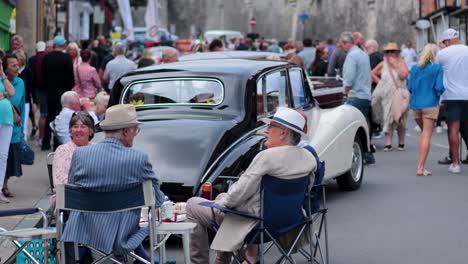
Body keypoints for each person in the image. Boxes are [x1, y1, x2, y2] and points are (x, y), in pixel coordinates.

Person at [186, 107, 316, 264]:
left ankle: (199, 262)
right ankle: (223, 259)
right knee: (222, 196)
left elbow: (239, 193)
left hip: (253, 224)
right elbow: (306, 192)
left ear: (283, 133)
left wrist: (220, 204)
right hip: (286, 223)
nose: (266, 130)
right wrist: (223, 199)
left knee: (192, 205)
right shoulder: (308, 158)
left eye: (271, 126)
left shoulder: (266, 157)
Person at [61, 104, 165, 263]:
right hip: (122, 234)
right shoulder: (138, 159)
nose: (135, 134)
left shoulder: (80, 155)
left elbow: (72, 194)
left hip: (85, 232)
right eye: (135, 130)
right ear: (125, 131)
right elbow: (157, 200)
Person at [407, 44, 445, 176]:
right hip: (430, 103)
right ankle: (420, 168)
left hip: (416, 105)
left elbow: (410, 87)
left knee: (424, 134)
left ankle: (422, 167)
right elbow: (439, 87)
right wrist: (439, 94)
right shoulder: (437, 67)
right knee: (426, 135)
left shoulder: (414, 68)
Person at [436, 28, 468, 174]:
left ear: (448, 41)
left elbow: (437, 69)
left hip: (452, 95)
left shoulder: (442, 54)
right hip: (466, 94)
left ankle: (455, 164)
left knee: (453, 128)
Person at [340, 32, 375, 164]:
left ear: (346, 43)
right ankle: (367, 154)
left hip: (355, 95)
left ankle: (359, 154)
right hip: (365, 95)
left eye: (341, 44)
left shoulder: (351, 56)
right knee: (362, 125)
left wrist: (345, 91)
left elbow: (349, 78)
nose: (341, 47)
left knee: (350, 127)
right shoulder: (363, 54)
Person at [51, 111, 95, 209]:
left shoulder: (97, 149)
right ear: (71, 131)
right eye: (75, 127)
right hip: (68, 197)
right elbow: (60, 182)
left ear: (91, 131)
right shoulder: (63, 150)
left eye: (83, 126)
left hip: (94, 196)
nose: (78, 130)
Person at [371, 42, 409, 152]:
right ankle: (388, 143)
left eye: (392, 51)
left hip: (399, 95)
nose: (390, 54)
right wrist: (380, 82)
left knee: (400, 118)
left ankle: (401, 142)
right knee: (387, 118)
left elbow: (404, 75)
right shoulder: (383, 64)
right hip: (386, 96)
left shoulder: (401, 63)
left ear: (397, 53)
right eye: (388, 52)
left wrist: (395, 66)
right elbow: (372, 73)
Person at [41, 35, 75, 150]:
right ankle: (57, 143)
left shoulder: (46, 57)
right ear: (64, 45)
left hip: (50, 92)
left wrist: (47, 88)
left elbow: (43, 76)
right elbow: (71, 77)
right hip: (63, 92)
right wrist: (68, 89)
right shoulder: (66, 58)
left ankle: (45, 142)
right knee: (60, 117)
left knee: (50, 116)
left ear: (54, 45)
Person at [3, 54, 25, 199]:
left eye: (17, 65)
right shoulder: (1, 82)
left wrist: (22, 129)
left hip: (15, 126)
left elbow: (22, 105)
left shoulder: (20, 82)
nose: (17, 68)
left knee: (9, 157)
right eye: (13, 65)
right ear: (4, 68)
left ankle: (4, 184)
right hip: (3, 124)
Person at [0, 50, 15, 203]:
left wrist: (2, 74)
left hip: (6, 119)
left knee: (3, 156)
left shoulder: (2, 78)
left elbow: (11, 91)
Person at [14, 50, 37, 141]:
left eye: (17, 60)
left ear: (22, 61)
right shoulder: (11, 72)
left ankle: (23, 143)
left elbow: (32, 88)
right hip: (13, 101)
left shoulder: (28, 72)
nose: (15, 62)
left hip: (25, 102)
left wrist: (35, 102)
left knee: (23, 125)